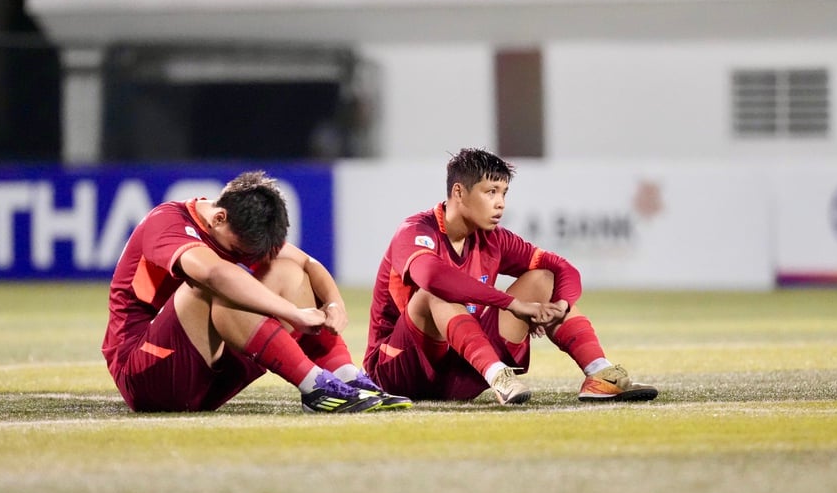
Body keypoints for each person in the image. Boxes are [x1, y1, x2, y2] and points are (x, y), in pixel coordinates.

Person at [364, 148, 658, 405]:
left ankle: (599, 373)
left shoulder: (495, 238)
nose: (501, 203)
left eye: (504, 193)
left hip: (460, 369)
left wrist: (561, 307)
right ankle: (500, 377)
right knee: (435, 293)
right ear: (459, 192)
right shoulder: (415, 230)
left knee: (542, 279)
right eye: (491, 192)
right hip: (398, 370)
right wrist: (513, 304)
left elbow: (564, 269)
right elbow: (432, 278)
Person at [102, 170, 411, 414]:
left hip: (206, 378)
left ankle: (342, 374)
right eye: (240, 251)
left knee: (289, 273)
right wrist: (291, 314)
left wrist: (334, 304)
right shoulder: (166, 222)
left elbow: (308, 263)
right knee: (220, 285)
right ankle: (314, 385)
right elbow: (215, 274)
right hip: (145, 371)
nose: (245, 258)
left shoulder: (235, 228)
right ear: (219, 217)